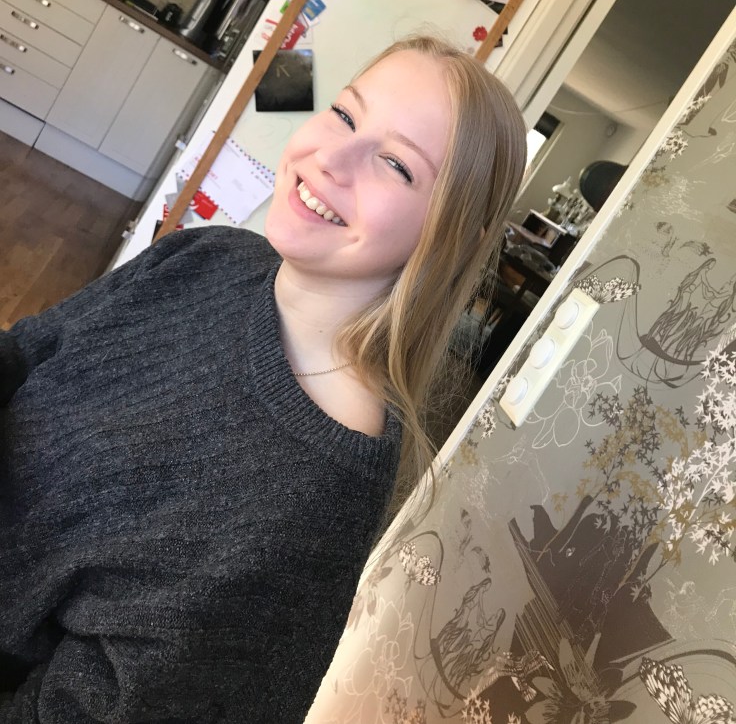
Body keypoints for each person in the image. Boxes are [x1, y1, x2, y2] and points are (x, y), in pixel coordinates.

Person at [0, 35, 526, 722]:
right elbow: (25, 355)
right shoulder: (211, 254)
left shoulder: (311, 499)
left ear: (452, 236)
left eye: (396, 164)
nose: (331, 158)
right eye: (345, 114)